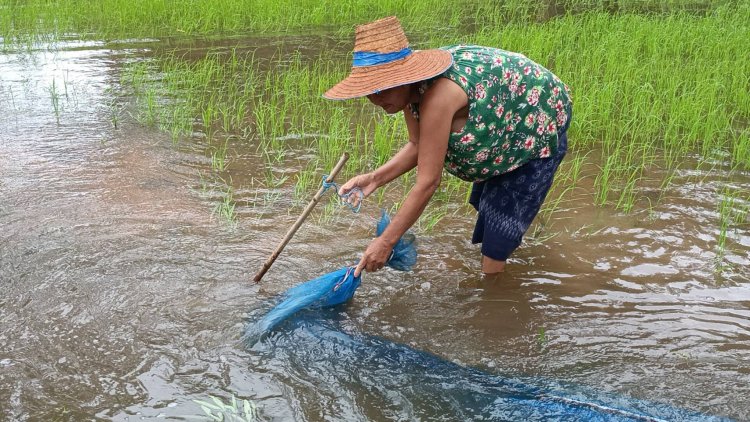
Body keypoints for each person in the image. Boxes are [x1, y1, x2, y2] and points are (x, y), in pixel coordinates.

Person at [323, 16, 572, 277]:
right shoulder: (411, 91)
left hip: (536, 120)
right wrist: (374, 179)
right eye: (369, 92)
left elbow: (428, 182)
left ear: (403, 78)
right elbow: (418, 144)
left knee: (498, 235)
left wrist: (386, 242)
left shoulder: (438, 98)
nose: (375, 99)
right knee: (491, 213)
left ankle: (493, 294)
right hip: (501, 125)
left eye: (381, 89)